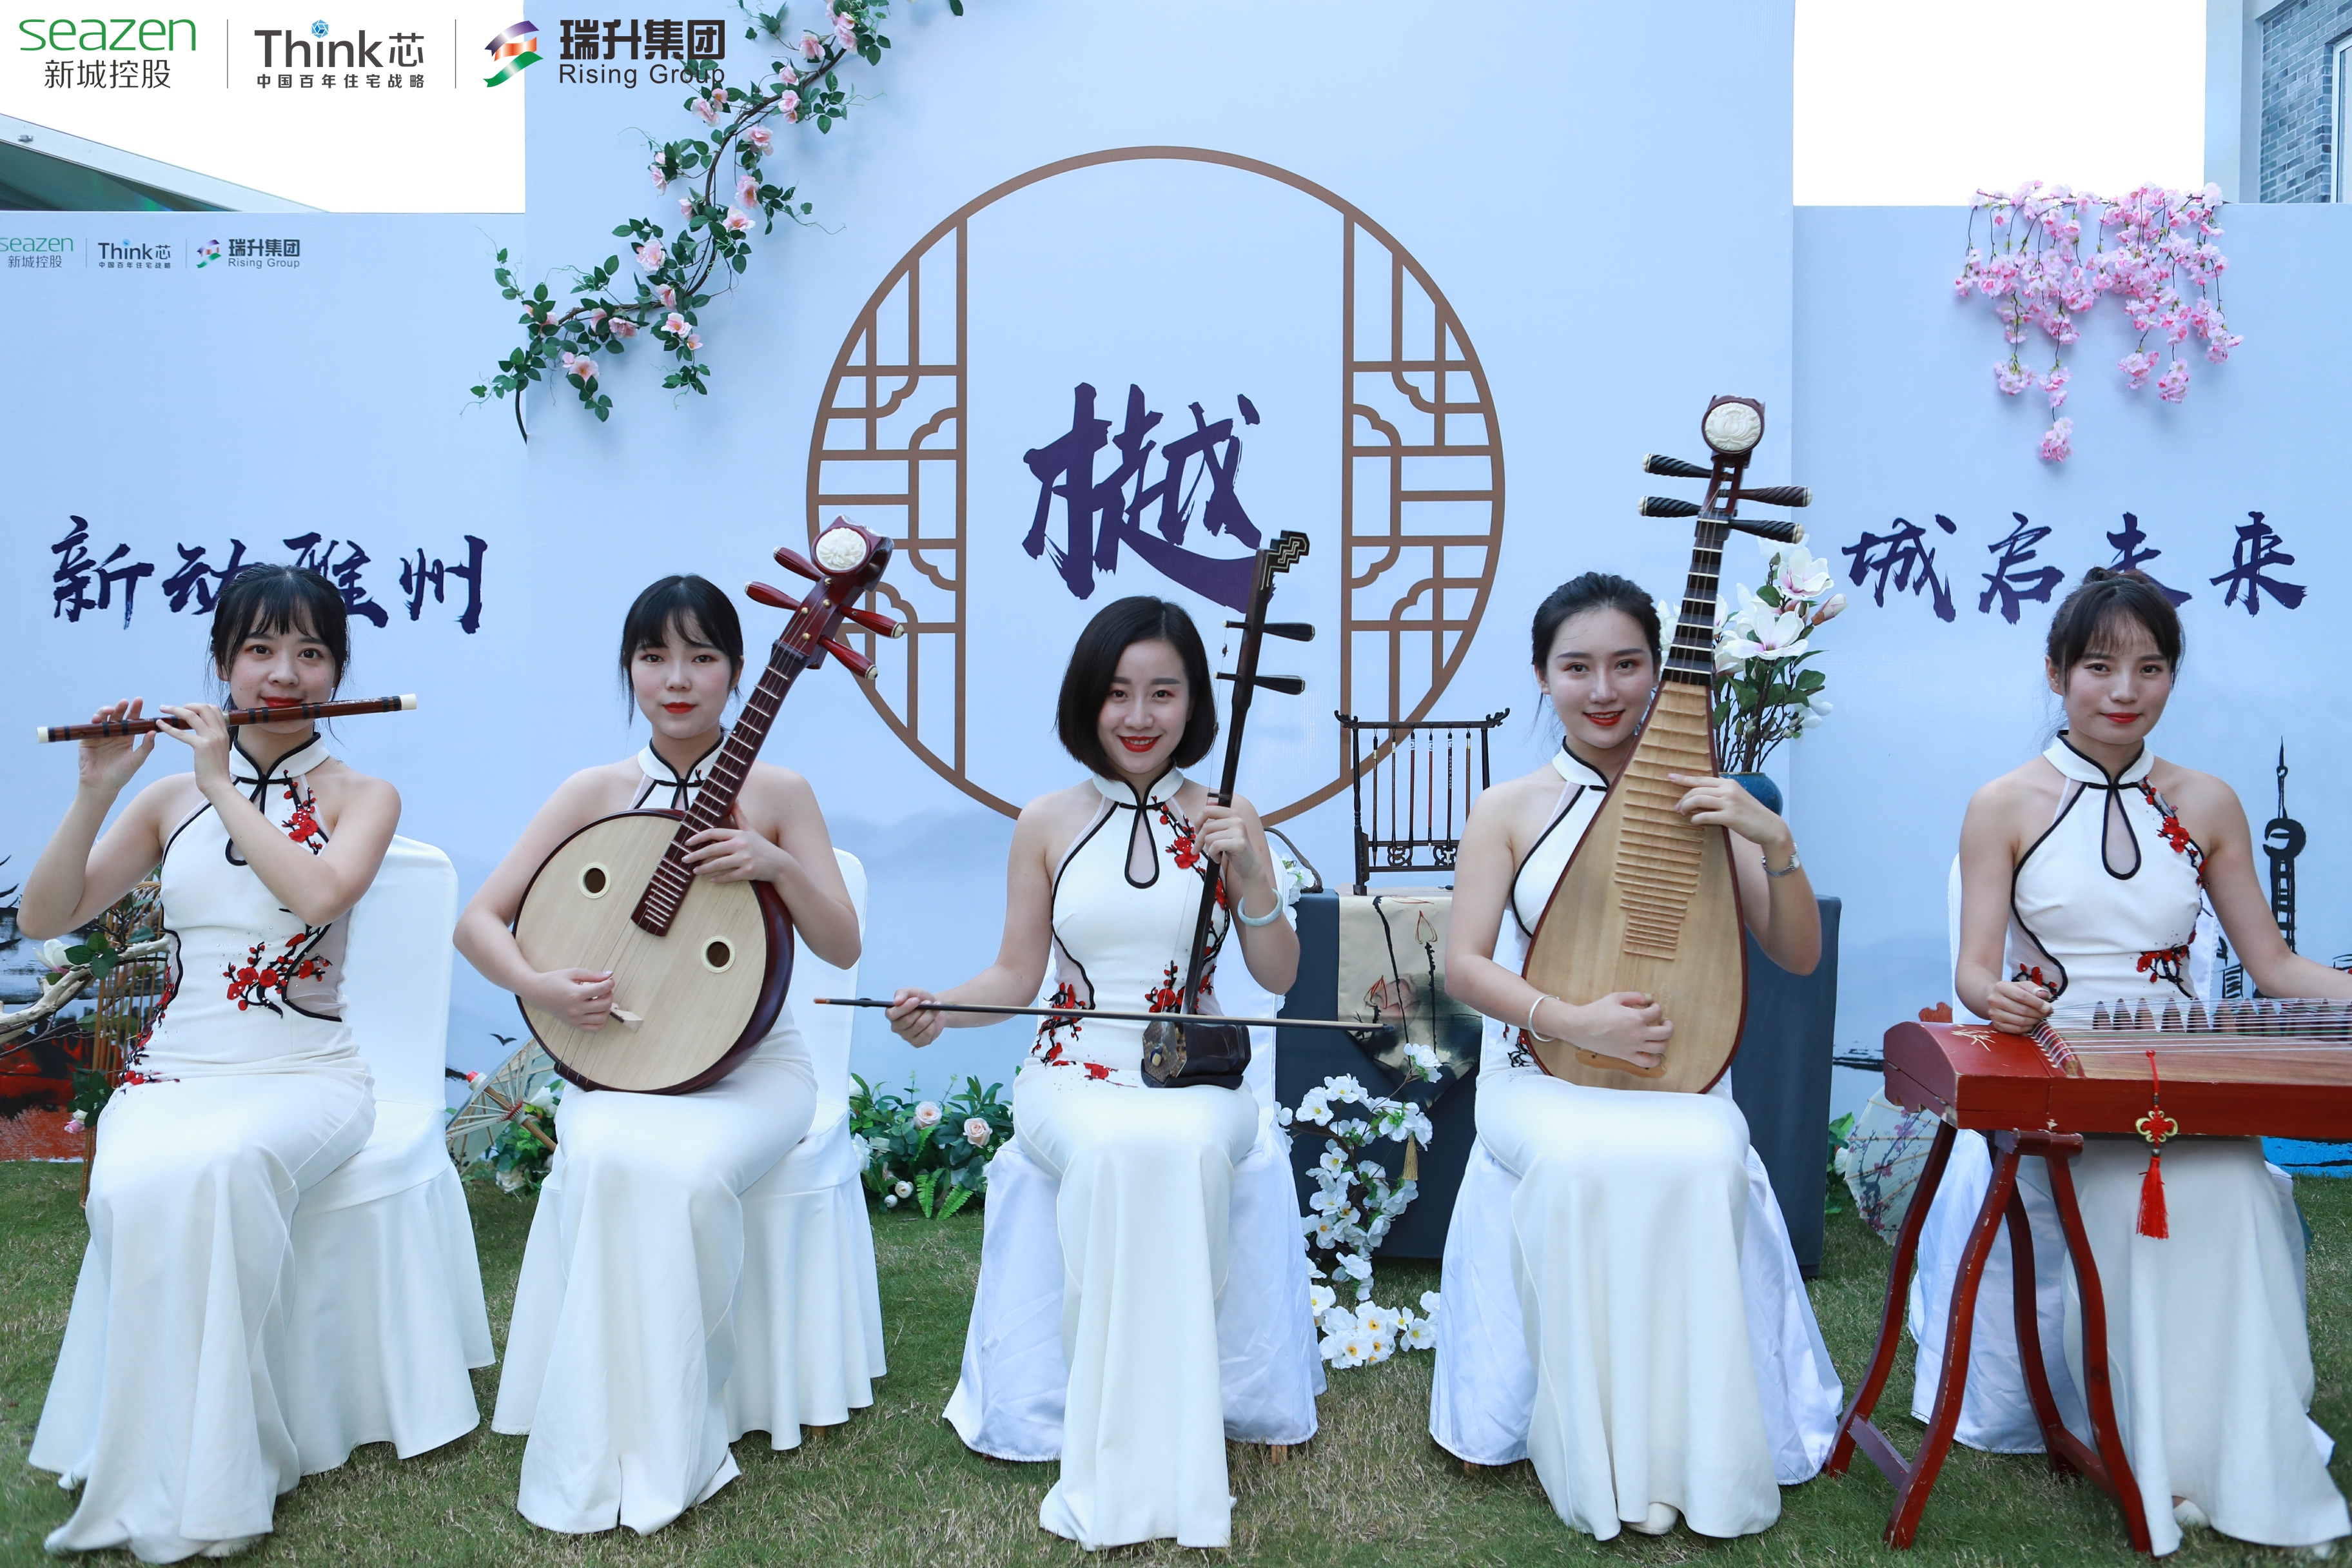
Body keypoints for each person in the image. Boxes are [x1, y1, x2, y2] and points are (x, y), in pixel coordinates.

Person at [1915, 567, 2350, 1556]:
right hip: (2066, 1072)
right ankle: (2156, 1451)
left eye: (2150, 669)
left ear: (2172, 678)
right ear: (2056, 672)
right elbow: (1975, 970)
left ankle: (2238, 1453)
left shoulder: (2208, 801)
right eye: (2099, 667)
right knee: (2126, 1210)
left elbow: (2275, 968)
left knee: (2238, 1195)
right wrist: (1999, 996)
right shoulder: (2004, 803)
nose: (2125, 690)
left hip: (2184, 1075)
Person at [888, 596, 1311, 1551]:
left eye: (1164, 692)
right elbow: (1015, 975)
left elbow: (1280, 973)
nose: (1140, 715)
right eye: (1119, 692)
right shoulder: (1047, 821)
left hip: (1196, 1075)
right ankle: (1120, 1442)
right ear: (1088, 700)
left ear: (1196, 702)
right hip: (1071, 1072)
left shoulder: (1228, 815)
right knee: (1117, 1147)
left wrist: (1252, 877)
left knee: (1181, 1145)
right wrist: (942, 1012)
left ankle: (1169, 1441)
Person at [1431, 571, 1843, 1540]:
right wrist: (1572, 1021)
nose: (1604, 689)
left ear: (1661, 672)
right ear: (1543, 677)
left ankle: (1695, 1446)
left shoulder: (1707, 802)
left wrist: (1772, 838)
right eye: (1577, 667)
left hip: (1678, 1080)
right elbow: (1464, 966)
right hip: (1539, 1076)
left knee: (1707, 1154)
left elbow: (1796, 954)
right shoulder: (1509, 806)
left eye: (1627, 664)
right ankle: (1592, 1445)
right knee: (1579, 1160)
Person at [456, 574, 862, 1535]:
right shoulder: (593, 793)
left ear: (738, 671)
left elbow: (842, 945)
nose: (677, 679)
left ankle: (677, 1425)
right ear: (630, 670)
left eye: (701, 657)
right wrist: (543, 987)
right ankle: (599, 1434)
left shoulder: (777, 793)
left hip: (754, 1070)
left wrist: (777, 865)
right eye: (654, 657)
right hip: (620, 1060)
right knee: (604, 1154)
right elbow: (478, 922)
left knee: (681, 1173)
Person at [24, 565, 400, 1562]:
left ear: (338, 670)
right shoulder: (164, 800)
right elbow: (45, 915)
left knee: (224, 1169)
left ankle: (226, 1470)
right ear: (224, 664)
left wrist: (222, 785)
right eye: (260, 650)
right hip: (175, 1074)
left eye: (311, 653)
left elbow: (318, 895)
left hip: (308, 1077)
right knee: (136, 1179)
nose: (285, 674)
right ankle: (152, 1456)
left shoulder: (364, 795)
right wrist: (95, 792)